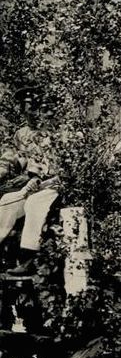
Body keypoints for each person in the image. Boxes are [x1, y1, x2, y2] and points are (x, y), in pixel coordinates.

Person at [0, 86, 60, 275]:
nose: (32, 113)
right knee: (6, 201)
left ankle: (29, 258)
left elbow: (58, 167)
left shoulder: (56, 134)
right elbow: (12, 159)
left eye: (35, 108)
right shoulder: (22, 134)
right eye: (27, 109)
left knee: (34, 203)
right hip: (32, 183)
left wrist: (36, 179)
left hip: (52, 184)